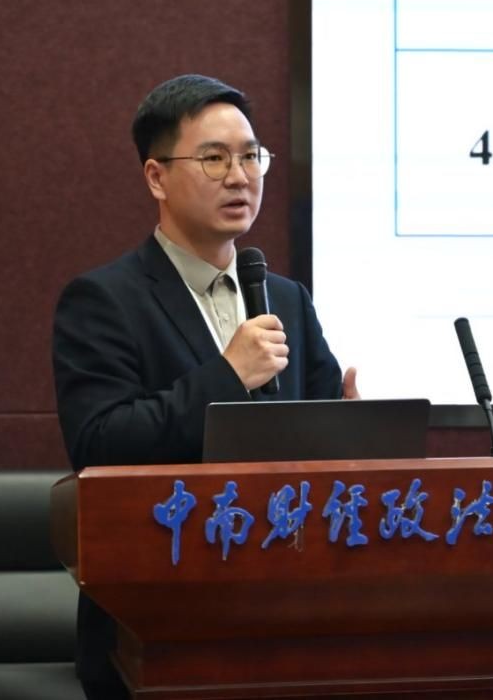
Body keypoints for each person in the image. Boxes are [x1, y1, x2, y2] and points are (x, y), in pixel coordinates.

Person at [52, 74, 357, 699]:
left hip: (289, 622)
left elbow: (314, 454)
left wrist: (352, 428)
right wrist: (226, 376)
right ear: (156, 177)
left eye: (251, 156)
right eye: (214, 159)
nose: (240, 177)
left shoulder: (287, 299)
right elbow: (99, 444)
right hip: (156, 629)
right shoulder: (103, 300)